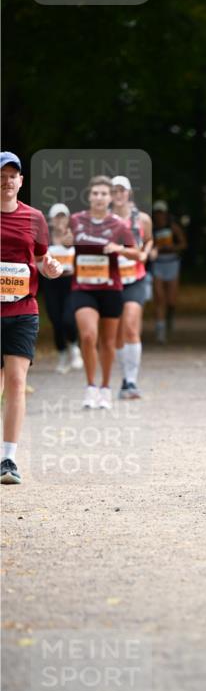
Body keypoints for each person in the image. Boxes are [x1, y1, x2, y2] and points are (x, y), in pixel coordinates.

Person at [1, 151, 63, 484]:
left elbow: (42, 260)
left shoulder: (34, 218)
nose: (7, 181)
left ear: (21, 181)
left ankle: (8, 459)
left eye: (13, 175)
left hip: (23, 309)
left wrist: (53, 268)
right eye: (2, 174)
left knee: (16, 382)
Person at [70, 175, 140, 410]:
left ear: (110, 198)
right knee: (89, 336)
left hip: (111, 288)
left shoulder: (119, 225)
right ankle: (90, 386)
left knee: (109, 342)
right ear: (89, 196)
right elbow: (59, 239)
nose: (99, 198)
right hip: (83, 288)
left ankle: (106, 387)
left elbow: (137, 253)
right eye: (95, 193)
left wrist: (118, 248)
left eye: (104, 194)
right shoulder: (76, 220)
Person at [110, 175, 153, 398]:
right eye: (114, 191)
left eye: (121, 190)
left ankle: (131, 381)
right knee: (117, 333)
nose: (118, 194)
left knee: (130, 326)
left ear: (129, 193)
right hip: (112, 281)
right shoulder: (103, 220)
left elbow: (149, 240)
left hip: (136, 278)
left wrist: (145, 252)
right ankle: (124, 377)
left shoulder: (142, 219)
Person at [42, 202, 82, 373]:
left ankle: (74, 346)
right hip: (51, 284)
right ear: (50, 220)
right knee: (56, 321)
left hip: (70, 282)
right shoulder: (45, 239)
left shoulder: (75, 237)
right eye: (56, 217)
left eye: (63, 216)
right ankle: (62, 354)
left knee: (68, 319)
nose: (60, 220)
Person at [150, 200, 187, 343]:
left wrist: (172, 247)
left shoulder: (173, 227)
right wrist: (155, 249)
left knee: (171, 299)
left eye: (161, 213)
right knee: (159, 298)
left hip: (172, 263)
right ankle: (160, 329)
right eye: (157, 213)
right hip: (158, 263)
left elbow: (183, 244)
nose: (159, 216)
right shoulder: (151, 228)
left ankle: (169, 315)